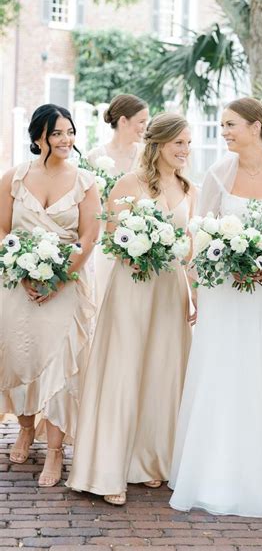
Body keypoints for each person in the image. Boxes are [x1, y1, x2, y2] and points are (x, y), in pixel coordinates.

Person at [169, 97, 262, 517]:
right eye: (222, 125)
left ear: (256, 126)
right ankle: (217, 467)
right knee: (225, 371)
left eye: (230, 124)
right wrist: (220, 269)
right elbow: (202, 233)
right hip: (227, 292)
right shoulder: (216, 174)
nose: (224, 131)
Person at [67, 113, 196, 506]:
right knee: (123, 369)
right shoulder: (128, 184)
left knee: (162, 370)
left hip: (169, 288)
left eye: (188, 144)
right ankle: (107, 471)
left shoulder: (189, 187)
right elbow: (111, 236)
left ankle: (150, 461)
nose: (185, 151)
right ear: (157, 145)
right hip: (132, 286)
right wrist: (135, 252)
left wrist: (195, 292)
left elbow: (189, 242)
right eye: (179, 143)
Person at [0, 104, 100, 486]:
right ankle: (26, 429)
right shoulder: (14, 177)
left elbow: (89, 238)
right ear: (38, 136)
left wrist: (59, 279)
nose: (66, 140)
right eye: (57, 133)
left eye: (70, 132)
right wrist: (22, 272)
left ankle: (56, 452)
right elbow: (2, 231)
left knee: (60, 366)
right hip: (17, 285)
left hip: (66, 285)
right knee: (21, 359)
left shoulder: (85, 181)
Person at [86, 94, 149, 310]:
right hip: (108, 243)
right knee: (106, 302)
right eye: (141, 121)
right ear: (123, 121)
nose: (145, 127)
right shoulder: (94, 157)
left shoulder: (146, 156)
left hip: (143, 243)